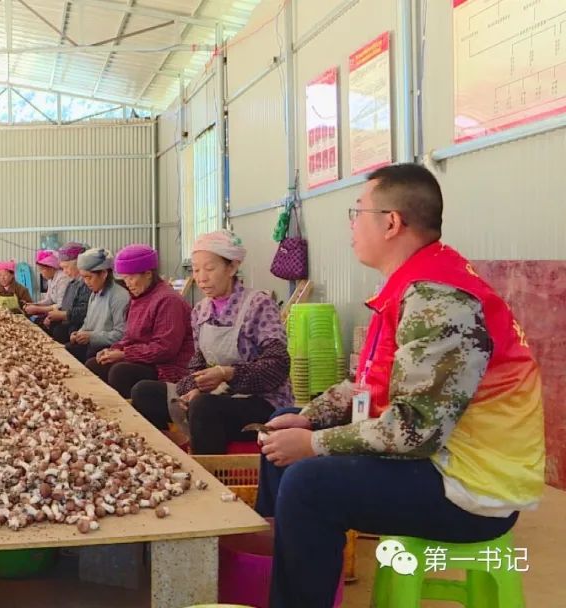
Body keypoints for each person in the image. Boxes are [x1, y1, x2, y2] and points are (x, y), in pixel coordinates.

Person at [255, 164, 545, 607]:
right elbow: (370, 382)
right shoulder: (412, 284)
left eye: (357, 211)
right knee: (282, 428)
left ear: (391, 222)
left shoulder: (439, 300)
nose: (351, 224)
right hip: (436, 458)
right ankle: (281, 574)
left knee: (308, 485)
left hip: (470, 489)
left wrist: (315, 444)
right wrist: (309, 418)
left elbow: (415, 429)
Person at [130, 230, 293, 454]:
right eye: (196, 270)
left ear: (232, 267)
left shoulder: (258, 305)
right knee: (144, 392)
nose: (201, 277)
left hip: (261, 402)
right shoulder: (201, 311)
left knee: (204, 407)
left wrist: (227, 374)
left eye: (209, 268)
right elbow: (197, 363)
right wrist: (195, 387)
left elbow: (278, 365)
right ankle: (171, 457)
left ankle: (211, 475)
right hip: (218, 395)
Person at [86, 244, 193, 398]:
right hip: (144, 359)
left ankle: (133, 416)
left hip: (167, 367)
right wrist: (114, 349)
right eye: (124, 278)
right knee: (95, 364)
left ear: (148, 274)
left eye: (131, 277)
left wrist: (124, 354)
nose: (127, 283)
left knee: (120, 372)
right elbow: (130, 337)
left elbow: (165, 349)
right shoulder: (138, 297)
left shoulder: (168, 300)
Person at [65, 248, 129, 363]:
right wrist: (79, 333)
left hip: (107, 349)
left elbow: (121, 334)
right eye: (83, 277)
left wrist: (91, 337)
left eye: (89, 277)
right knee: (67, 350)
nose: (86, 282)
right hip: (92, 345)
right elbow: (87, 323)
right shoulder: (94, 294)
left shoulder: (119, 297)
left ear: (104, 274)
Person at [42, 242, 92, 343]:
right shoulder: (72, 283)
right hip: (70, 327)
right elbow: (65, 306)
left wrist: (63, 315)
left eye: (66, 267)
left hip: (80, 330)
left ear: (79, 264)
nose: (64, 271)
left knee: (59, 332)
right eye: (62, 268)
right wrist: (53, 315)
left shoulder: (87, 285)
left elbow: (84, 312)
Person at [23, 249, 69, 319]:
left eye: (42, 269)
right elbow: (49, 299)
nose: (41, 273)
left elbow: (61, 305)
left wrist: (38, 309)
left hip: (63, 316)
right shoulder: (50, 279)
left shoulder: (62, 279)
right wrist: (35, 304)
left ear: (51, 268)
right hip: (55, 312)